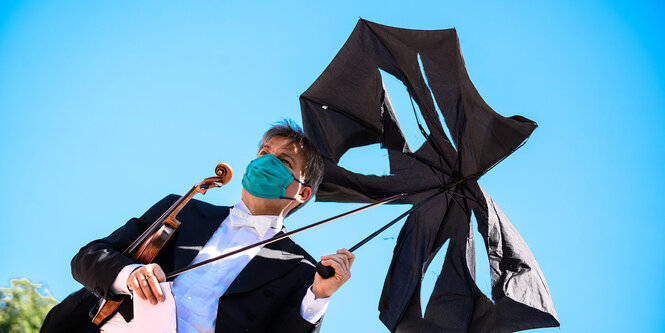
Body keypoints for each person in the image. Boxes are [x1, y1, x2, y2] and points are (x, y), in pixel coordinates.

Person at [41, 120, 354, 333]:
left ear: (302, 192)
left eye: (284, 162)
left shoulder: (302, 270)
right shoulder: (184, 208)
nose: (266, 163)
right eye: (264, 153)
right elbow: (90, 256)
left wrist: (319, 296)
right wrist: (129, 275)